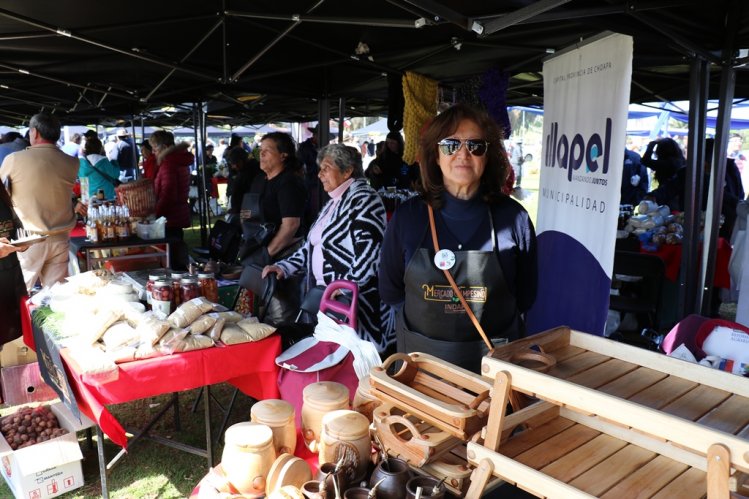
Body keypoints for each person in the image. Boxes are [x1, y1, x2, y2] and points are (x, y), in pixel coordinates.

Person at [379, 103, 538, 372]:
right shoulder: (408, 218)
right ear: (435, 156)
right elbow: (390, 290)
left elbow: (525, 297)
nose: (463, 153)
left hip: (495, 376)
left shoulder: (514, 219)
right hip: (420, 372)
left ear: (488, 157)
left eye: (475, 145)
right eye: (450, 144)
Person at [263, 144, 394, 352]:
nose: (320, 174)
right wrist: (284, 266)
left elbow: (370, 253)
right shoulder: (335, 201)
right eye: (320, 168)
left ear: (347, 170)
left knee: (357, 364)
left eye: (326, 168)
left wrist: (344, 286)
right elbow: (311, 247)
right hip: (329, 299)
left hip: (354, 304)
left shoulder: (364, 199)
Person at [0, 113, 79, 290]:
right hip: (61, 237)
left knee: (20, 294)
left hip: (28, 239)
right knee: (55, 296)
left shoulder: (14, 160)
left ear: (34, 133)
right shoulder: (72, 162)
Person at [239, 132, 306, 266]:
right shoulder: (259, 180)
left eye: (267, 151)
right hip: (258, 247)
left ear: (283, 155)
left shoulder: (288, 183)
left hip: (284, 255)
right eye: (260, 150)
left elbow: (291, 225)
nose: (261, 154)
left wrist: (266, 254)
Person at [150, 130, 193, 270]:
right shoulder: (176, 160)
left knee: (173, 262)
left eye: (155, 148)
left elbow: (168, 194)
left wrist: (155, 214)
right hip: (176, 216)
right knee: (177, 257)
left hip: (169, 219)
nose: (153, 151)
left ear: (164, 147)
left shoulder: (169, 163)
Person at [0, 182, 27, 345]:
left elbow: (15, 225)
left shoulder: (2, 195)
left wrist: (22, 240)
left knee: (12, 336)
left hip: (11, 278)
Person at [642, 137, 687, 210]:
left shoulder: (665, 163)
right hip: (678, 197)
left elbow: (645, 161)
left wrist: (651, 145)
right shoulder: (681, 161)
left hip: (667, 197)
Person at [226, 147, 261, 223]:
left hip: (248, 206)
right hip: (248, 206)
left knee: (246, 225)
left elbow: (238, 193)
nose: (233, 166)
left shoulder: (250, 171)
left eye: (234, 163)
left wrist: (236, 210)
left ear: (241, 160)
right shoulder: (254, 167)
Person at [298, 125, 323, 228]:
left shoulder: (323, 146)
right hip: (310, 182)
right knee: (311, 210)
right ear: (315, 135)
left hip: (321, 182)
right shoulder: (304, 147)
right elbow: (300, 165)